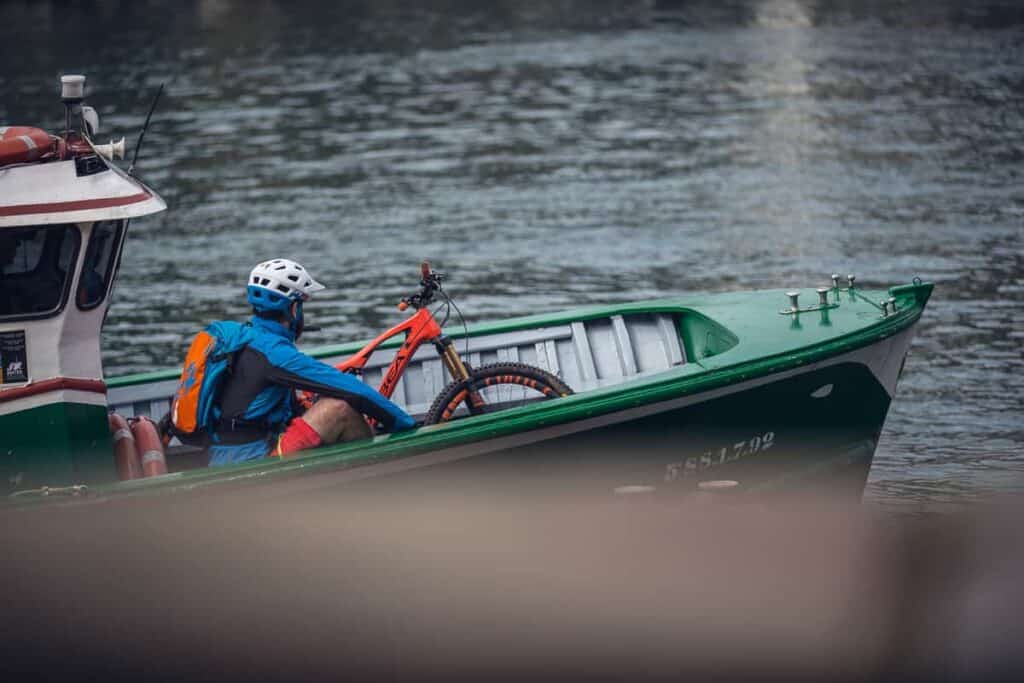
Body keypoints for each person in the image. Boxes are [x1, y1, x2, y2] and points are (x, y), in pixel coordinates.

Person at [207, 258, 416, 466]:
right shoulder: (274, 352)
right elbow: (354, 390)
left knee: (319, 402)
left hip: (225, 453)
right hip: (253, 460)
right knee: (338, 409)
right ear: (293, 309)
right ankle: (378, 475)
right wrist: (409, 427)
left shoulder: (241, 338)